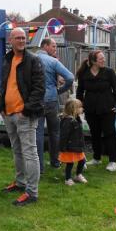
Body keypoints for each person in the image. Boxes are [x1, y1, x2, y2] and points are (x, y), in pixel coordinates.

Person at [0, 27, 45, 206]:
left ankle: (32, 192)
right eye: (17, 38)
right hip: (8, 113)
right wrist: (1, 105)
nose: (21, 41)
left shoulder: (33, 60)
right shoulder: (7, 59)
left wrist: (26, 110)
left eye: (23, 38)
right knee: (17, 150)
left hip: (25, 115)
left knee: (30, 153)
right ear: (11, 40)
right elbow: (5, 84)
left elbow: (39, 88)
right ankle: (20, 183)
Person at [76, 50, 116, 172]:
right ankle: (97, 158)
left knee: (109, 134)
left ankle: (113, 161)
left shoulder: (109, 72)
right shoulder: (84, 74)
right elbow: (80, 91)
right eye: (101, 58)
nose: (104, 60)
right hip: (90, 109)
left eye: (103, 58)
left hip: (107, 108)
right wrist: (79, 105)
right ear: (93, 61)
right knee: (94, 134)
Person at [36, 38, 74, 172]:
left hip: (37, 101)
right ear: (45, 46)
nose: (55, 49)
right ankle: (55, 161)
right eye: (53, 46)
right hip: (52, 100)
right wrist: (60, 91)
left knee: (38, 133)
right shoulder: (53, 61)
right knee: (55, 132)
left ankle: (39, 167)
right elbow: (70, 77)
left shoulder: (31, 59)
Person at [59, 98, 87, 186]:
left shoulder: (77, 119)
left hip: (77, 146)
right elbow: (64, 136)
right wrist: (62, 147)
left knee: (82, 161)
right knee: (70, 163)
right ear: (73, 109)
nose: (82, 109)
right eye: (80, 107)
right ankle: (67, 179)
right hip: (69, 147)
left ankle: (78, 175)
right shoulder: (68, 121)